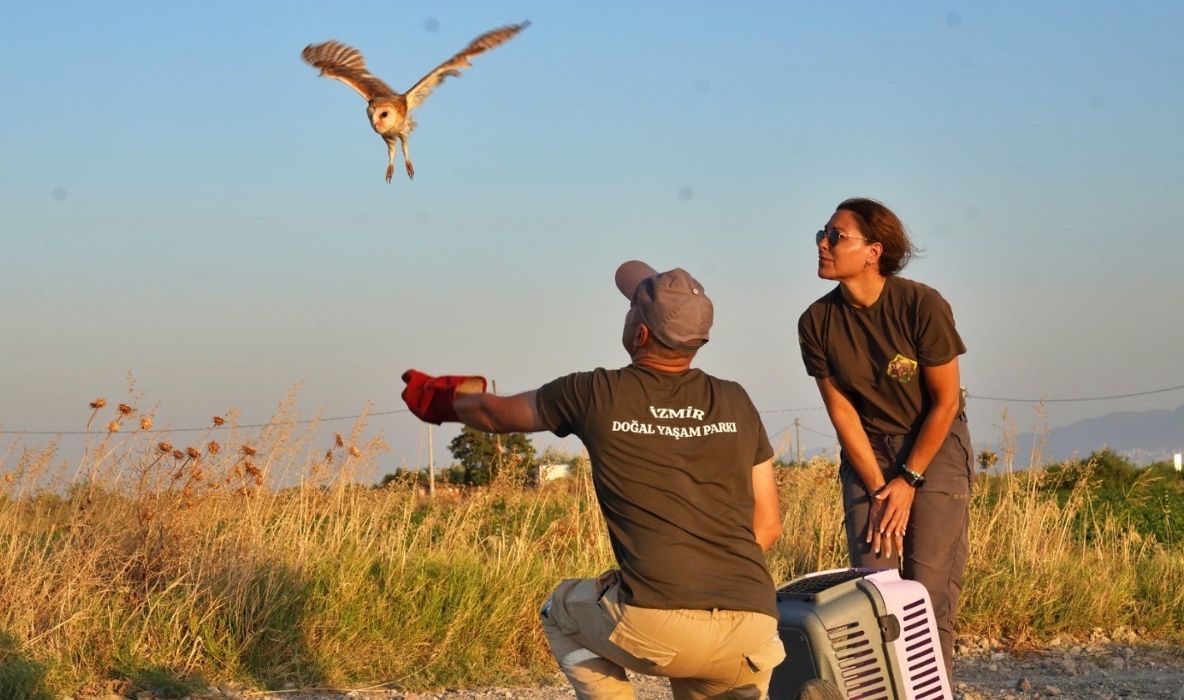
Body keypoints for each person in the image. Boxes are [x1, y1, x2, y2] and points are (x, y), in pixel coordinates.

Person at [402, 260, 802, 699]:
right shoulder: (736, 400)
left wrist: (442, 400)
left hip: (656, 622)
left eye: (632, 308)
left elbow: (495, 414)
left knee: (559, 611)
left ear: (640, 334)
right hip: (753, 624)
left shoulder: (595, 393)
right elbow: (769, 525)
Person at [797, 197, 972, 677]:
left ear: (874, 251)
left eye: (836, 236)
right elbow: (843, 413)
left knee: (927, 596)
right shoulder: (816, 322)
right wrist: (879, 488)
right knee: (874, 593)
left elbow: (946, 402)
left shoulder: (921, 304)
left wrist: (909, 480)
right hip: (868, 453)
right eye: (822, 233)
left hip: (932, 449)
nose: (822, 244)